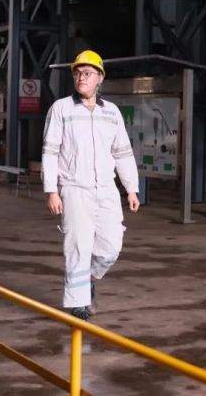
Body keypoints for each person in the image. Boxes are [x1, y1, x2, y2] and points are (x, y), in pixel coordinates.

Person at [41, 50, 140, 321]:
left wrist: (131, 188)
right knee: (78, 246)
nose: (81, 77)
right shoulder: (61, 109)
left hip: (106, 189)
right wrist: (52, 191)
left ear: (100, 78)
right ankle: (78, 304)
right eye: (77, 73)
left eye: (87, 73)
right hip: (74, 188)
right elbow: (50, 151)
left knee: (111, 245)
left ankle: (90, 278)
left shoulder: (112, 112)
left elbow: (122, 152)